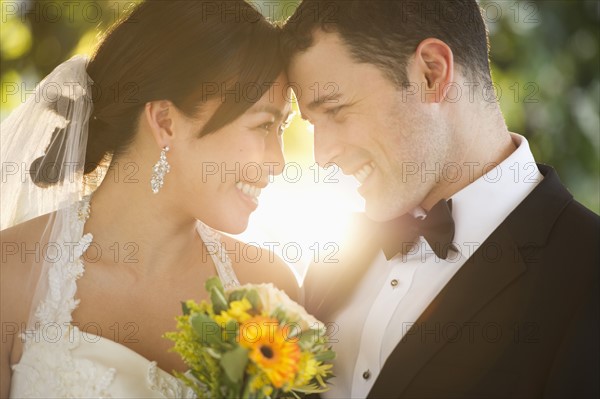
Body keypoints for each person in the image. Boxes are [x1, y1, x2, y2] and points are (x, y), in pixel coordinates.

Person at [282, 0, 599, 398]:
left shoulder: (588, 273)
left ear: (431, 73)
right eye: (312, 124)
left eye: (336, 109)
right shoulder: (333, 261)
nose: (321, 154)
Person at [0, 1, 300, 397]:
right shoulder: (11, 275)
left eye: (282, 127)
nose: (278, 162)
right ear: (164, 122)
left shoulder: (269, 289)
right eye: (264, 124)